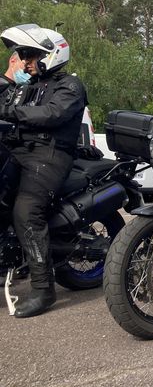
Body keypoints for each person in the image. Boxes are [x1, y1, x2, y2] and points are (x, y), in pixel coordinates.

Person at [0, 24, 87, 317]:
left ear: (52, 54)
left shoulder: (70, 87)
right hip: (19, 152)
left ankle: (43, 288)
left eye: (30, 54)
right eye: (22, 54)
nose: (25, 61)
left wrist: (10, 111)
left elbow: (52, 114)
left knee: (26, 212)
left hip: (48, 157)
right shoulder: (25, 87)